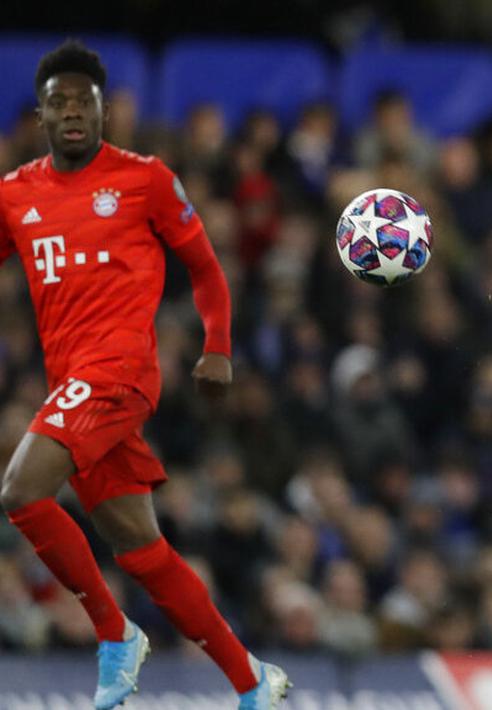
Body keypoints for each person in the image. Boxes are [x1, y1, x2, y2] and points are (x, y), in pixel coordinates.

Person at [0, 41, 290, 709]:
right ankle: (252, 681)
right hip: (73, 387)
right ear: (40, 116)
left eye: (85, 101)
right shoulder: (16, 194)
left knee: (19, 492)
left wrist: (217, 345)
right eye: (58, 103)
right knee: (143, 551)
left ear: (105, 111)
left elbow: (208, 269)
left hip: (121, 371)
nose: (72, 112)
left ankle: (113, 633)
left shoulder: (145, 179)